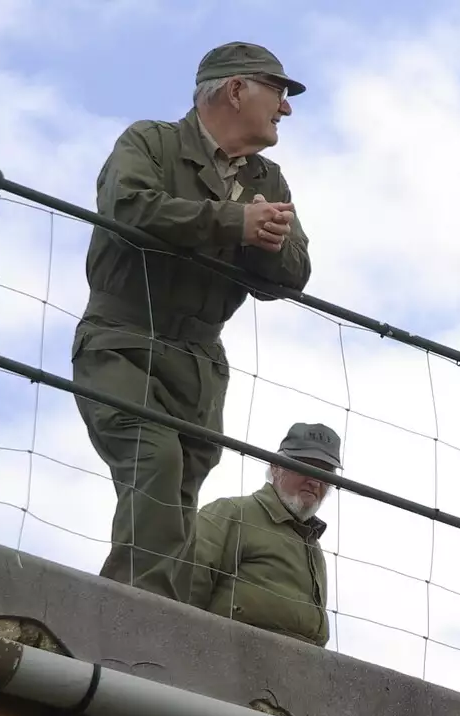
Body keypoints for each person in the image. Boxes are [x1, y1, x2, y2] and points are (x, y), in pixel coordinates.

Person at [71, 41, 312, 602]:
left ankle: (163, 621)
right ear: (236, 90)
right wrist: (234, 222)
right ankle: (133, 608)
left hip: (200, 359)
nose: (286, 109)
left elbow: (293, 272)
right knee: (153, 458)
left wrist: (262, 241)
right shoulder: (149, 143)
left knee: (183, 482)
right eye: (278, 92)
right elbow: (128, 209)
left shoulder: (268, 180)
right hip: (122, 338)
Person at [188, 423, 341, 646]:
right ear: (276, 466)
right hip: (226, 662)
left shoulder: (313, 549)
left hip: (302, 672)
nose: (315, 481)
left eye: (326, 473)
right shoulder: (230, 514)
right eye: (306, 466)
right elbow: (185, 595)